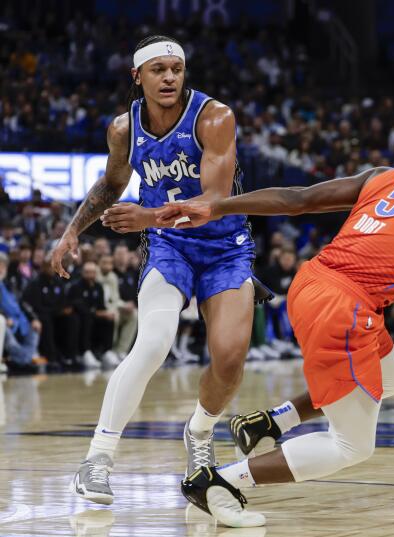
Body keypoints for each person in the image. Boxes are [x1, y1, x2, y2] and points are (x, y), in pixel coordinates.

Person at [158, 116, 394, 527]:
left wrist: (217, 206)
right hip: (345, 307)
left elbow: (298, 199)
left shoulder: (389, 175)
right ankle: (219, 482)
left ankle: (271, 423)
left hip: (313, 282)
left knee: (391, 377)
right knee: (352, 446)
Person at [51, 36, 264, 506]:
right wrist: (71, 232)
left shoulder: (214, 117)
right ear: (137, 76)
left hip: (225, 248)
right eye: (158, 70)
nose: (169, 77)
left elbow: (216, 199)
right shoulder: (123, 129)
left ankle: (199, 433)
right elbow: (112, 183)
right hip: (170, 246)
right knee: (151, 343)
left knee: (229, 360)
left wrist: (146, 216)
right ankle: (97, 460)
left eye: (176, 68)